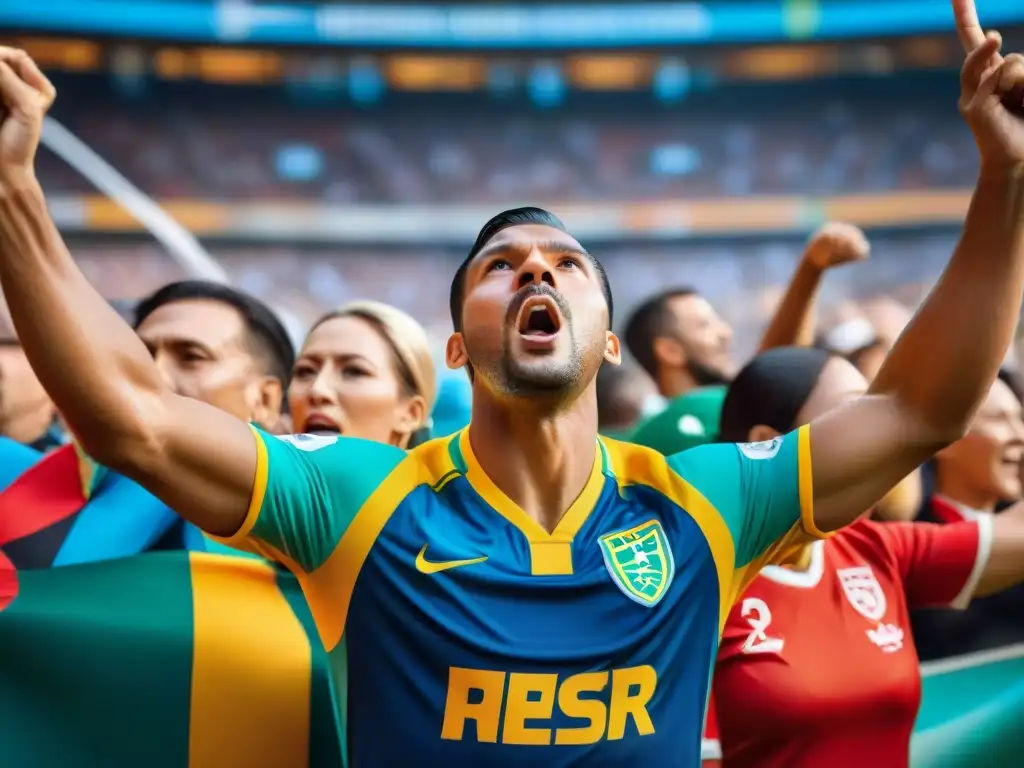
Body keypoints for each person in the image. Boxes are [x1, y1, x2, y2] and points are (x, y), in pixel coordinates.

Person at [0, 5, 1021, 759]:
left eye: (567, 265)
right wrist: (12, 190)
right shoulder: (360, 498)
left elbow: (918, 410)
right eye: (500, 266)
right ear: (456, 350)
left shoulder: (709, 501)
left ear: (609, 344)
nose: (536, 268)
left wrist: (1004, 183)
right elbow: (131, 419)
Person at [702, 347, 1024, 767]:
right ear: (766, 443)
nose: (879, 438)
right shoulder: (699, 580)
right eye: (852, 414)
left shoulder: (872, 548)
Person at [627, 221, 868, 456]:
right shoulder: (696, 413)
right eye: (704, 325)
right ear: (670, 350)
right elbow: (778, 376)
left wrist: (812, 269)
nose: (725, 333)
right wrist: (810, 268)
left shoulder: (647, 432)